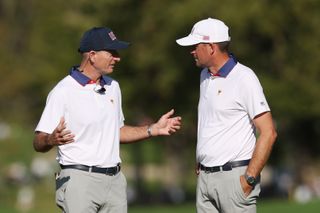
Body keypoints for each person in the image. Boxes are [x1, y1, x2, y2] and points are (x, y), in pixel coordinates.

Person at [33, 26, 182, 213]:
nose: (117, 57)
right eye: (111, 52)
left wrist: (152, 129)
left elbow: (117, 131)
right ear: (92, 55)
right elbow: (38, 141)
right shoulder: (63, 91)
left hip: (114, 181)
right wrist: (50, 140)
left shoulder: (113, 87)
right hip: (79, 180)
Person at [176, 18, 277, 213]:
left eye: (196, 46)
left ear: (211, 48)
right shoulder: (205, 76)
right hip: (205, 179)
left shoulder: (244, 78)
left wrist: (249, 178)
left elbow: (268, 131)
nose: (192, 51)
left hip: (235, 180)